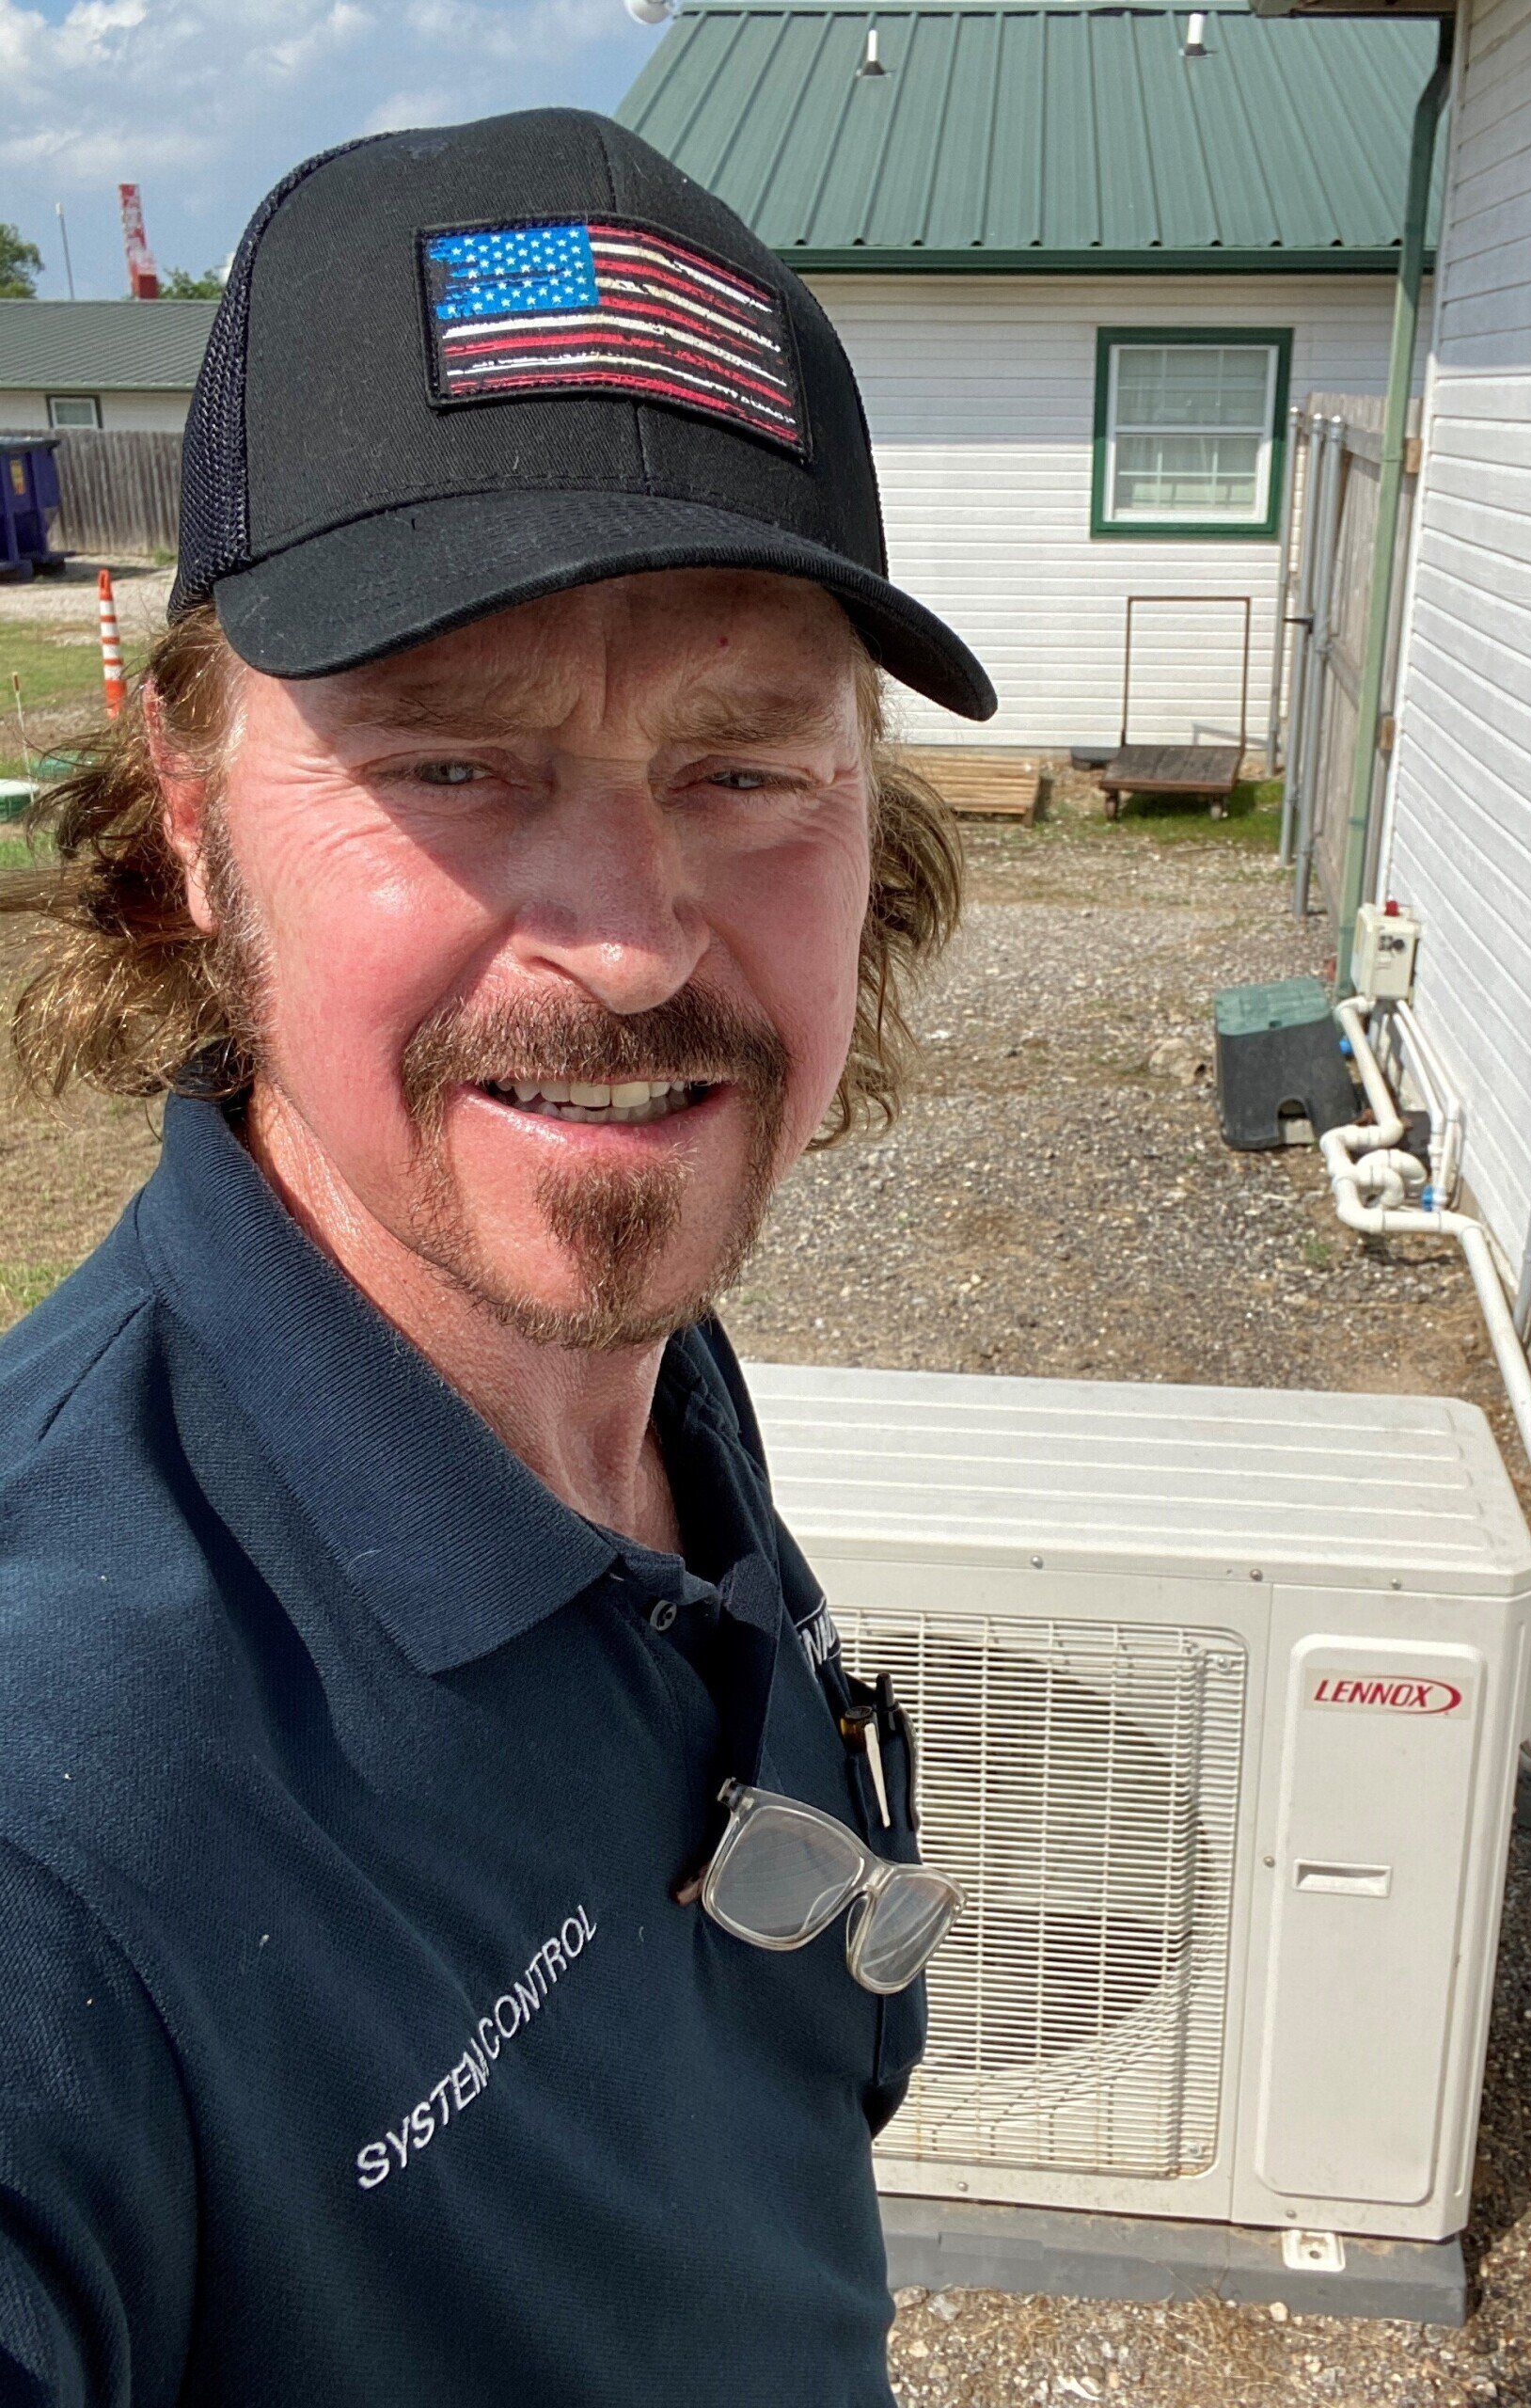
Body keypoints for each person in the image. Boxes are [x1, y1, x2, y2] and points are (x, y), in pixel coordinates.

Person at [0, 109, 993, 2408]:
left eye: (749, 766)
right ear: (187, 810)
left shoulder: (623, 1364)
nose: (635, 945)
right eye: (452, 761)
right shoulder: (66, 1780)